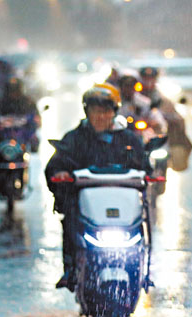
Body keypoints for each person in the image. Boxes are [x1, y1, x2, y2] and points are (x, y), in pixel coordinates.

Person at [44, 83, 149, 290]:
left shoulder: (129, 140)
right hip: (86, 208)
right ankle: (72, 269)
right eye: (95, 111)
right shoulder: (74, 139)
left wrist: (150, 174)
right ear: (87, 112)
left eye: (106, 111)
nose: (101, 116)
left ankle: (143, 270)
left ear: (114, 112)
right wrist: (60, 174)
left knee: (140, 224)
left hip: (123, 207)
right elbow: (55, 166)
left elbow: (145, 167)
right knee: (71, 220)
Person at [139, 65, 192, 171]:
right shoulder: (134, 95)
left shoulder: (161, 98)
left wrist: (171, 118)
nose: (148, 81)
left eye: (151, 78)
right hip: (137, 136)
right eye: (145, 78)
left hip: (156, 136)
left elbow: (174, 115)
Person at [0, 76, 41, 153]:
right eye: (11, 90)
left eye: (16, 90)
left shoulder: (28, 103)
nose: (13, 93)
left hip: (22, 140)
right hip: (2, 140)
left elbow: (36, 120)